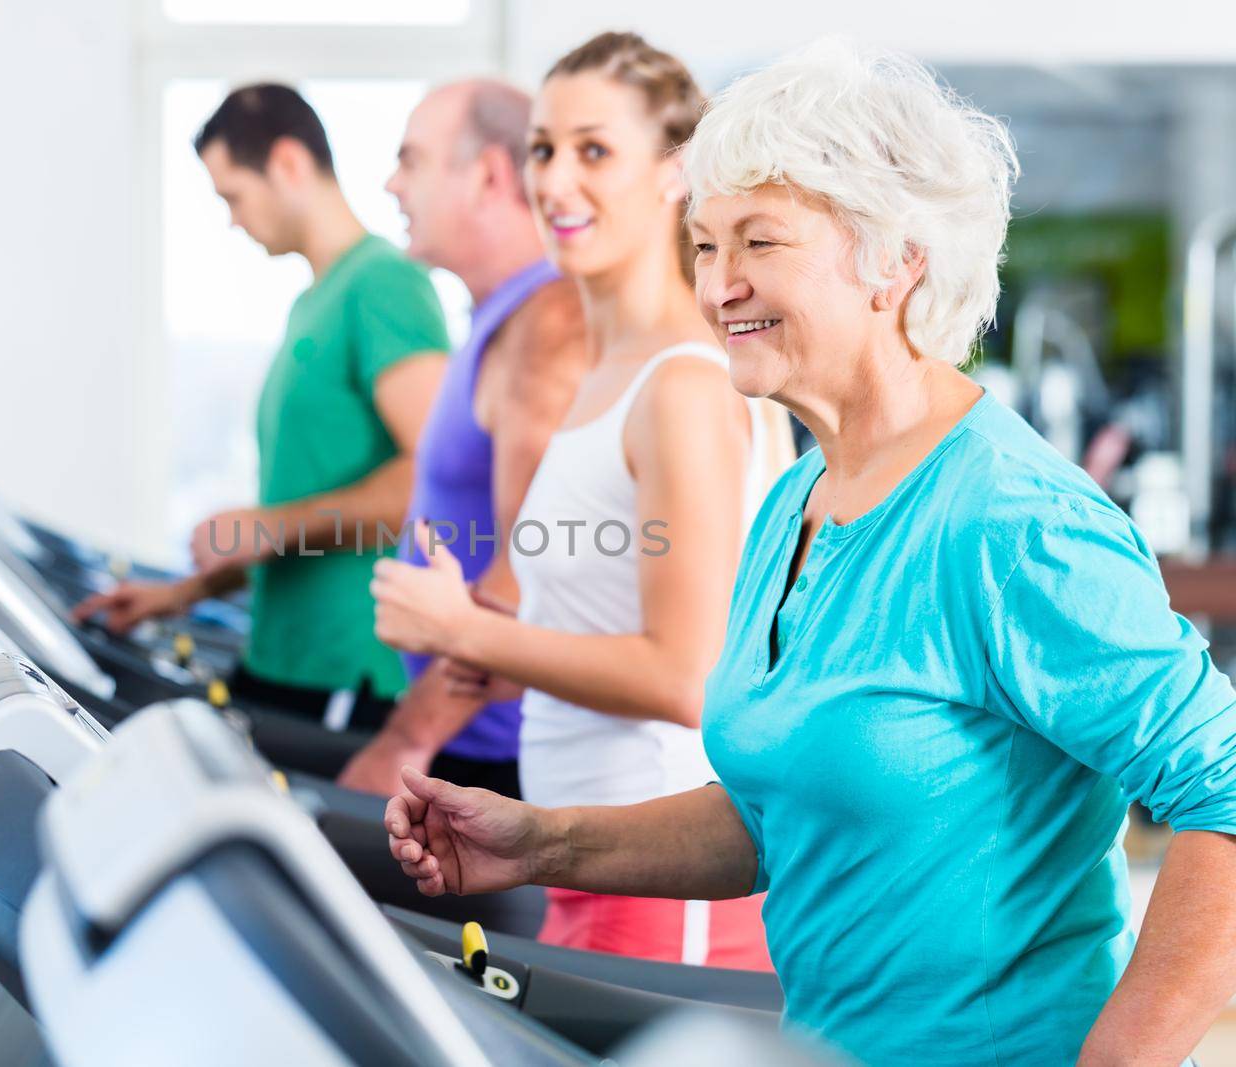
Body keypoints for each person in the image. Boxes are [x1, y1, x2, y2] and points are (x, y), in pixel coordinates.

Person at [384, 39, 1236, 1066]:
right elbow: (771, 813)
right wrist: (538, 839)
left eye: (759, 241)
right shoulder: (797, 498)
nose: (719, 284)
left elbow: (1221, 786)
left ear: (895, 259)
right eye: (703, 245)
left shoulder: (1015, 524)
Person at [371, 33, 790, 969]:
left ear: (674, 172)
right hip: (584, 865)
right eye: (545, 149)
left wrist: (461, 630)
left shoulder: (682, 383)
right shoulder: (617, 367)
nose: (556, 182)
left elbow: (684, 678)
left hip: (658, 887)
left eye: (594, 151)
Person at [75, 84, 448, 729]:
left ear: (288, 164)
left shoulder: (385, 284)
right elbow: (295, 512)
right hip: (280, 658)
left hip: (349, 670)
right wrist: (183, 594)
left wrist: (266, 526)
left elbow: (433, 477)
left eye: (232, 196)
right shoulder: (316, 300)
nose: (232, 219)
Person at [335, 80, 591, 799]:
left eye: (411, 160)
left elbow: (533, 566)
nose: (391, 183)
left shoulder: (546, 329)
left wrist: (407, 739)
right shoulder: (502, 319)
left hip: (498, 762)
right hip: (461, 745)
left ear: (489, 175)